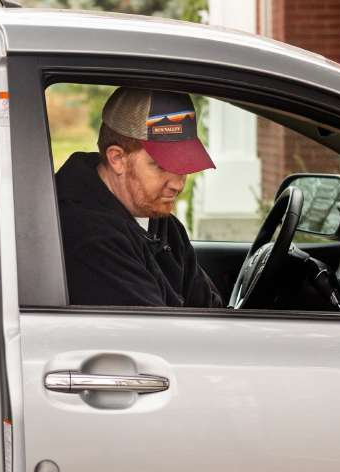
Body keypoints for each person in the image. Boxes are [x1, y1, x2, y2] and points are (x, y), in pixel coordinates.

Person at [56, 87, 224, 308]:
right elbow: (154, 337)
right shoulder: (91, 239)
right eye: (162, 166)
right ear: (117, 159)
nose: (178, 184)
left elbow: (211, 311)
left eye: (183, 164)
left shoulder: (163, 223)